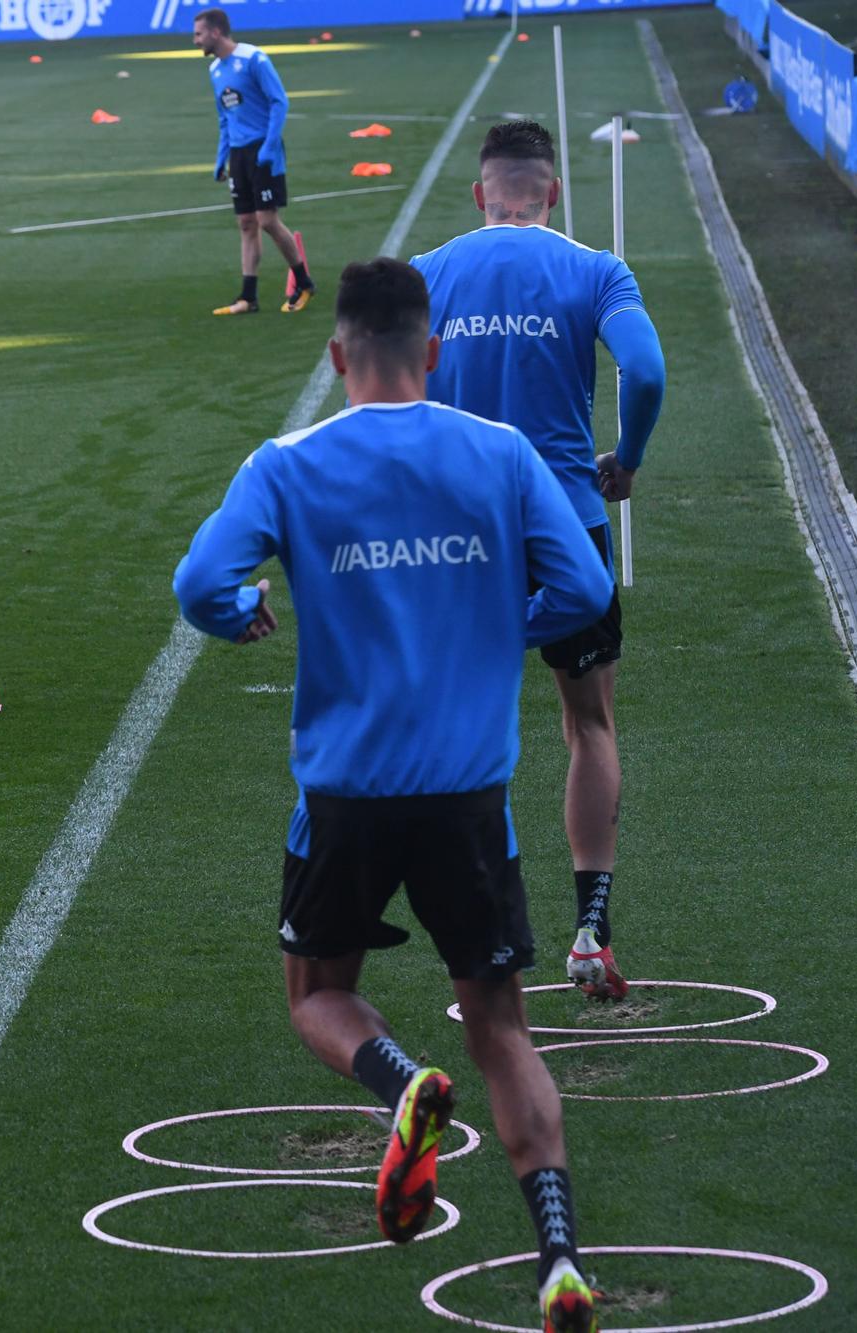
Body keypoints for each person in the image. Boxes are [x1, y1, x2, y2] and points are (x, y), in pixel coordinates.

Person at [172, 259, 611, 1333]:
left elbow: (199, 585)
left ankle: (400, 1081)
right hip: (470, 793)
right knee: (501, 1025)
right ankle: (557, 1258)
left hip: (345, 791)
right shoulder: (499, 454)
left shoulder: (288, 462)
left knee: (315, 993)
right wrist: (494, 636)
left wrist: (240, 617)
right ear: (432, 353)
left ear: (334, 358)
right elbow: (585, 590)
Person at [410, 120, 667, 1000]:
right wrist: (625, 457)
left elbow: (382, 399)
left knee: (460, 729)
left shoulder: (430, 274)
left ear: (480, 194)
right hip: (565, 527)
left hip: (458, 535)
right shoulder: (595, 268)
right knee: (588, 725)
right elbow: (648, 369)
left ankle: (476, 934)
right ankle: (590, 926)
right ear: (551, 193)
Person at [194, 7, 315, 315]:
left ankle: (303, 282)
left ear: (216, 32)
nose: (195, 41)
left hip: (264, 149)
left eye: (199, 34)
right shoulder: (215, 71)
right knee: (246, 223)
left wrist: (270, 147)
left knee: (268, 221)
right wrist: (222, 159)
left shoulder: (253, 59)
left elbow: (279, 101)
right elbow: (225, 118)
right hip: (238, 154)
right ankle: (248, 297)